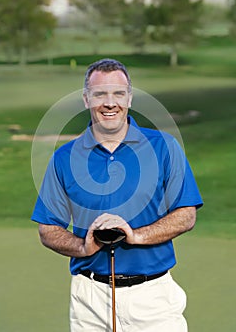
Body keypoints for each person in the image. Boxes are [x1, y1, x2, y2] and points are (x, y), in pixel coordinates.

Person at [31, 58, 203, 332]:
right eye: (100, 94)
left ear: (130, 98)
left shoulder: (164, 147)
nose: (110, 103)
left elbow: (186, 215)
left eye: (118, 94)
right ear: (86, 99)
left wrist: (137, 235)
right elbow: (48, 228)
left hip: (153, 296)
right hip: (90, 298)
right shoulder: (64, 158)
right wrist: (82, 247)